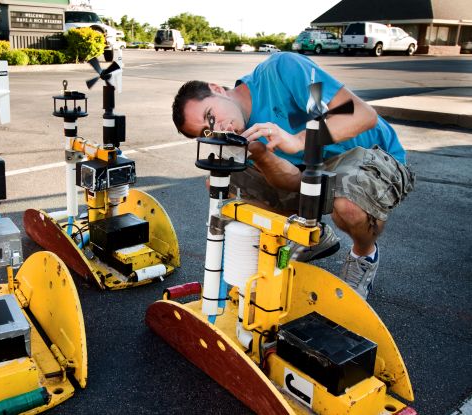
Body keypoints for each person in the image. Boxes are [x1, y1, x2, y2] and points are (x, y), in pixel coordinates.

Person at [171, 52, 415, 299]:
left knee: (348, 205)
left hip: (372, 155)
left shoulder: (282, 71)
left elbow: (361, 114)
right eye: (207, 130)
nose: (218, 129)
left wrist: (298, 140)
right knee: (224, 184)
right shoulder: (244, 135)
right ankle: (313, 235)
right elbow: (291, 183)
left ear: (217, 89)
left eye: (211, 117)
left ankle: (364, 255)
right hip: (317, 170)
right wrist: (262, 157)